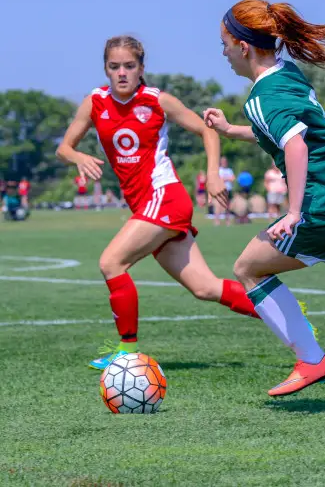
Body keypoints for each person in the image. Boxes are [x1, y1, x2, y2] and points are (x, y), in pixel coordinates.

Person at [57, 35, 301, 371]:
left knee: (111, 263)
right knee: (205, 288)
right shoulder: (94, 102)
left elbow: (208, 130)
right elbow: (64, 147)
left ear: (142, 68)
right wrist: (78, 156)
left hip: (165, 198)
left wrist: (213, 174)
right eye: (114, 67)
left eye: (129, 65)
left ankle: (127, 354)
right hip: (145, 207)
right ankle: (293, 320)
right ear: (106, 69)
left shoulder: (157, 100)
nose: (122, 73)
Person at [204, 0, 325, 397]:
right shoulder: (286, 74)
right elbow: (293, 127)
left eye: (224, 43)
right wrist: (231, 131)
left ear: (243, 46)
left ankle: (312, 359)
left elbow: (294, 143)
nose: (222, 52)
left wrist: (293, 212)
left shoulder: (260, 99)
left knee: (248, 269)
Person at [214, 156, 235, 226]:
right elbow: (219, 179)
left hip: (228, 190)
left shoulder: (229, 170)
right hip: (221, 190)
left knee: (227, 206)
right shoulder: (219, 170)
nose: (224, 163)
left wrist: (225, 179)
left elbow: (233, 179)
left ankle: (227, 221)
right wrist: (227, 178)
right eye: (223, 161)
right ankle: (217, 221)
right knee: (218, 206)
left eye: (225, 161)